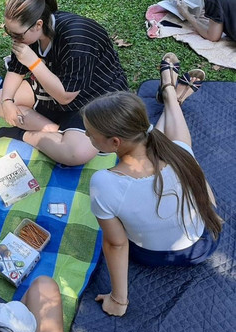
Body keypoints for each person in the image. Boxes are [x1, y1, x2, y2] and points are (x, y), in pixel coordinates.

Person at [82, 53, 223, 317]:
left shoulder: (104, 182)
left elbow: (117, 244)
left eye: (90, 134)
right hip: (205, 243)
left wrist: (118, 300)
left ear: (114, 143)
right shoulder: (179, 151)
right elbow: (172, 144)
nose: (87, 136)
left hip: (153, 255)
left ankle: (171, 93)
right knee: (187, 158)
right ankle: (171, 95)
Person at [0, 0, 128, 166]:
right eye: (9, 32)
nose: (13, 39)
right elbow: (16, 70)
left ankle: (25, 134)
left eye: (16, 34)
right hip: (51, 88)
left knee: (76, 154)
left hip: (95, 97)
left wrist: (33, 63)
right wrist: (7, 101)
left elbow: (65, 96)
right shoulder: (28, 36)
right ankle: (56, 131)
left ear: (38, 24)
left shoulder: (76, 39)